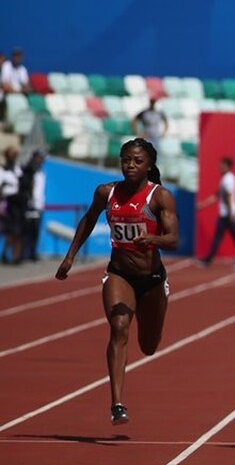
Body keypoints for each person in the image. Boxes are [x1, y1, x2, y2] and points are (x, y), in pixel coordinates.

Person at [55, 138, 179, 424]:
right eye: (126, 160)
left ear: (149, 166)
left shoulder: (160, 197)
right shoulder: (106, 192)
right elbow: (88, 219)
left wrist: (152, 238)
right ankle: (117, 404)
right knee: (119, 326)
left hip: (152, 279)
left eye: (137, 161)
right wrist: (70, 256)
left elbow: (174, 239)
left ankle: (152, 328)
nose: (130, 166)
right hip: (119, 273)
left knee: (148, 346)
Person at [198, 156, 235, 266]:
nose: (220, 167)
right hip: (226, 213)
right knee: (227, 236)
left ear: (227, 166)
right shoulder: (225, 178)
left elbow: (229, 196)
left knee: (224, 236)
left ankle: (209, 259)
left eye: (222, 165)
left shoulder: (228, 179)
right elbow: (217, 195)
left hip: (227, 213)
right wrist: (203, 205)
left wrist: (230, 212)